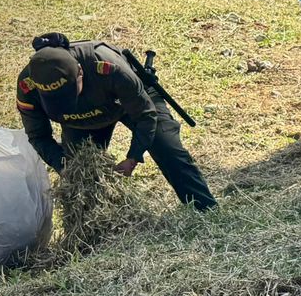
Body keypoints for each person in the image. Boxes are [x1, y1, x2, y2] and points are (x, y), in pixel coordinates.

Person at [16, 35, 216, 210]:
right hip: (80, 123)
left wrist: (133, 157)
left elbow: (145, 116)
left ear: (79, 72)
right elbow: (38, 136)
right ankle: (99, 233)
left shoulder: (106, 66)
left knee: (167, 149)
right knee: (81, 177)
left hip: (129, 103)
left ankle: (205, 209)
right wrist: (65, 167)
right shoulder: (28, 86)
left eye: (68, 93)